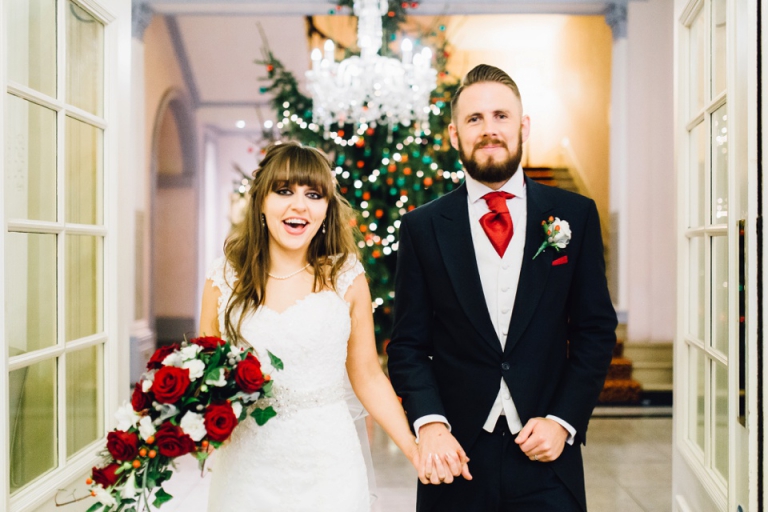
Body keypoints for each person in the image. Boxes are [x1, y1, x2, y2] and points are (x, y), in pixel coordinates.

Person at [387, 64, 617, 512]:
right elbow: (408, 345)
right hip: (456, 456)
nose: (488, 130)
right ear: (454, 135)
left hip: (547, 454)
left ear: (523, 126)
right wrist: (430, 424)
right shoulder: (422, 227)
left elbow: (594, 330)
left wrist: (563, 421)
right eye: (474, 119)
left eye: (501, 116)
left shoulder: (576, 214)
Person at [200, 141, 418, 511]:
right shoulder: (225, 279)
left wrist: (415, 449)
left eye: (314, 194)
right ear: (261, 201)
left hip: (328, 464)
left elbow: (366, 375)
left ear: (326, 208)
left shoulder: (346, 277)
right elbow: (205, 374)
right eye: (284, 191)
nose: (299, 205)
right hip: (247, 468)